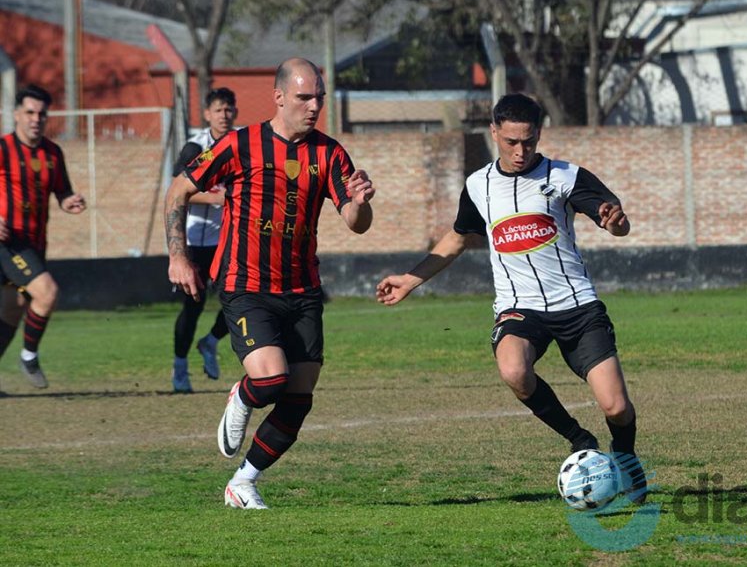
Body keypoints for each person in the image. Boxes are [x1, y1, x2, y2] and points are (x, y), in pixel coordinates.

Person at [376, 93, 646, 503]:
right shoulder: (478, 185)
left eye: (529, 142)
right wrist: (411, 279)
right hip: (519, 308)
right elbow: (458, 238)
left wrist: (617, 223)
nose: (521, 152)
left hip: (576, 305)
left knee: (616, 408)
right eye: (511, 142)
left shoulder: (566, 176)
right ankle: (579, 439)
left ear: (539, 135)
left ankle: (625, 459)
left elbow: (614, 220)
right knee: (514, 371)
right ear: (494, 133)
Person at [165, 58, 375, 509]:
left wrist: (359, 201)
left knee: (299, 398)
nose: (314, 105)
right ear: (278, 97)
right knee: (271, 379)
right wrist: (179, 256)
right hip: (247, 285)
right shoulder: (241, 145)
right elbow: (178, 190)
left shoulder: (331, 153)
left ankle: (243, 481)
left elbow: (356, 223)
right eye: (304, 97)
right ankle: (241, 396)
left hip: (303, 291)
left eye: (318, 96)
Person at [0, 84, 86, 390]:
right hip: (9, 242)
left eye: (41, 113)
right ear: (16, 114)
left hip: (34, 244)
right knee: (47, 293)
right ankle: (29, 356)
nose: (36, 119)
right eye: (29, 112)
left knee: (11, 309)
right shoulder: (2, 148)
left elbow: (61, 190)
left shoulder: (53, 153)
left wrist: (68, 202)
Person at [169, 87, 238, 393]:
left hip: (226, 239)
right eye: (219, 110)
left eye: (229, 109)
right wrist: (214, 199)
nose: (225, 115)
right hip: (195, 242)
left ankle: (210, 342)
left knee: (239, 299)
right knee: (193, 306)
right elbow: (176, 191)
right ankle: (180, 368)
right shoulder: (194, 147)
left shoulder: (240, 143)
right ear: (207, 114)